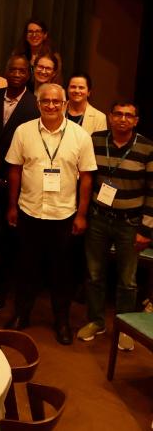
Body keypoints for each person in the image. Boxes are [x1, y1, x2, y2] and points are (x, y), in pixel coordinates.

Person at [4, 84, 96, 344]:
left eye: (57, 102)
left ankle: (62, 321)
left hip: (64, 215)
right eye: (46, 102)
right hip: (29, 211)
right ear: (39, 104)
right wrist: (12, 206)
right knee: (26, 268)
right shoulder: (24, 132)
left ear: (65, 104)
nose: (52, 106)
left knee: (62, 273)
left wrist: (81, 214)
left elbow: (87, 178)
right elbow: (15, 170)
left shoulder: (80, 136)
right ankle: (22, 314)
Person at [79, 102, 151, 350]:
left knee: (127, 281)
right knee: (94, 274)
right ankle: (96, 321)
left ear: (136, 120)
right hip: (98, 218)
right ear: (110, 117)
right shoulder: (96, 140)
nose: (122, 119)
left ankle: (124, 327)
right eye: (118, 114)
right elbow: (86, 177)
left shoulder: (147, 147)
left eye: (128, 115)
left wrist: (146, 229)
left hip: (130, 224)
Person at [0, 55, 40, 313]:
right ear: (5, 71)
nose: (16, 73)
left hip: (14, 181)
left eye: (22, 70)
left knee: (6, 241)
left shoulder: (35, 104)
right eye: (12, 69)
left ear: (29, 75)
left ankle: (0, 292)